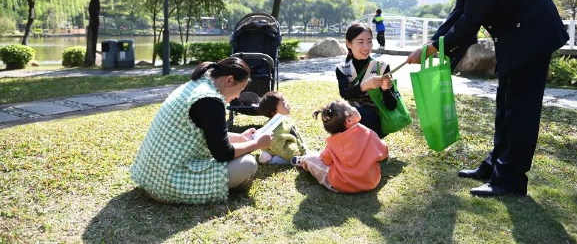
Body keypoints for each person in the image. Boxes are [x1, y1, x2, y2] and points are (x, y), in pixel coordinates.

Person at [404, 0, 569, 197]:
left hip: (532, 39)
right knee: (505, 108)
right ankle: (495, 167)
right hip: (516, 39)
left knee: (520, 112)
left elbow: (472, 19)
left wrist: (434, 49)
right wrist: (431, 42)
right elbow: (458, 14)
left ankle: (510, 180)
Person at [130, 57, 274, 204]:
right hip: (168, 185)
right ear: (229, 80)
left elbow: (208, 133)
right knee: (248, 164)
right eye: (240, 90)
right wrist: (256, 144)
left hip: (152, 177)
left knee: (242, 158)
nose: (237, 96)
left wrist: (241, 137)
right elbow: (223, 153)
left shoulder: (197, 85)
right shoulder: (211, 101)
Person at [292, 99, 389, 193]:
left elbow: (325, 160)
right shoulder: (369, 133)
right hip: (370, 182)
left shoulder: (334, 142)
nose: (355, 108)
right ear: (349, 120)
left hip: (341, 184)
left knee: (312, 159)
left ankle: (303, 160)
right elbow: (384, 152)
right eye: (351, 107)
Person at [336, 22, 398, 138]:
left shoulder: (382, 67)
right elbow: (345, 93)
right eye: (360, 42)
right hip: (351, 120)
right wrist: (365, 85)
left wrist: (386, 90)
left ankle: (370, 146)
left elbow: (392, 106)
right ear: (349, 44)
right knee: (333, 112)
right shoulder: (343, 69)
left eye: (369, 41)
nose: (366, 47)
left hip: (376, 122)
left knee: (355, 114)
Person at [256, 91, 308, 164]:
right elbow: (277, 143)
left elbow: (296, 135)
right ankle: (271, 159)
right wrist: (294, 153)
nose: (288, 105)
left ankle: (268, 156)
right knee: (287, 159)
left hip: (282, 149)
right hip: (279, 151)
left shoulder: (285, 120)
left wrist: (302, 147)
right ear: (273, 112)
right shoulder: (275, 128)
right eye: (284, 105)